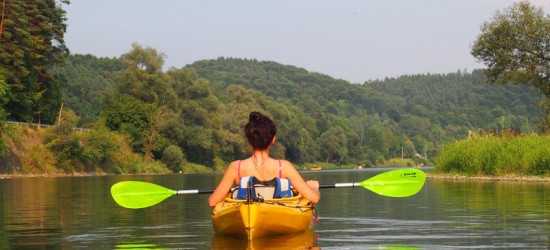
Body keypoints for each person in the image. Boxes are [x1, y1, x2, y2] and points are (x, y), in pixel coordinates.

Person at [208, 112, 320, 207]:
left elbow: (213, 202)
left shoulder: (235, 167)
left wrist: (225, 191)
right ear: (273, 140)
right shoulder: (284, 166)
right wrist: (314, 188)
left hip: (248, 211)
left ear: (248, 140)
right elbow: (314, 198)